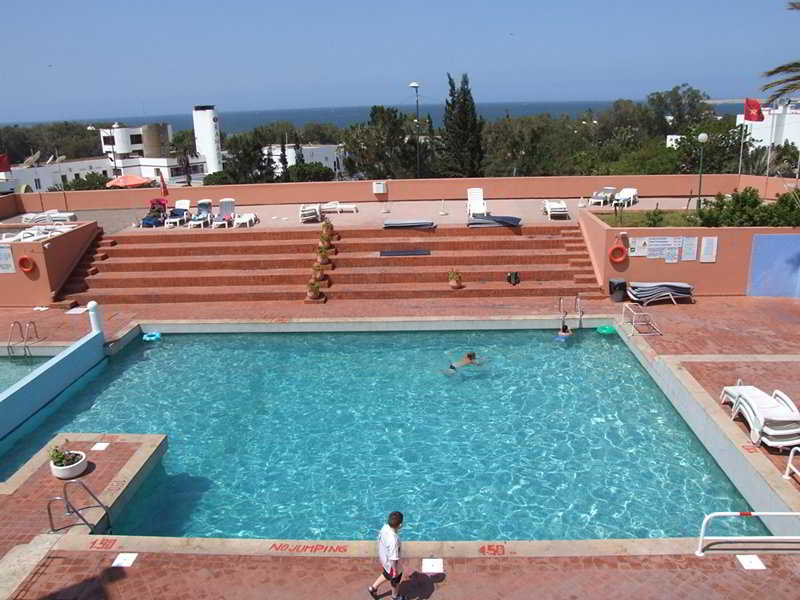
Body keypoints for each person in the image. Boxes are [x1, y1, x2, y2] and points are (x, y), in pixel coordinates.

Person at [368, 511, 405, 600]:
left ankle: (373, 588)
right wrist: (395, 571)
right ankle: (395, 597)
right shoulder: (394, 540)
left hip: (384, 558)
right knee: (395, 580)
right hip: (392, 564)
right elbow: (393, 558)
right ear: (400, 525)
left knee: (386, 573)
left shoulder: (385, 527)